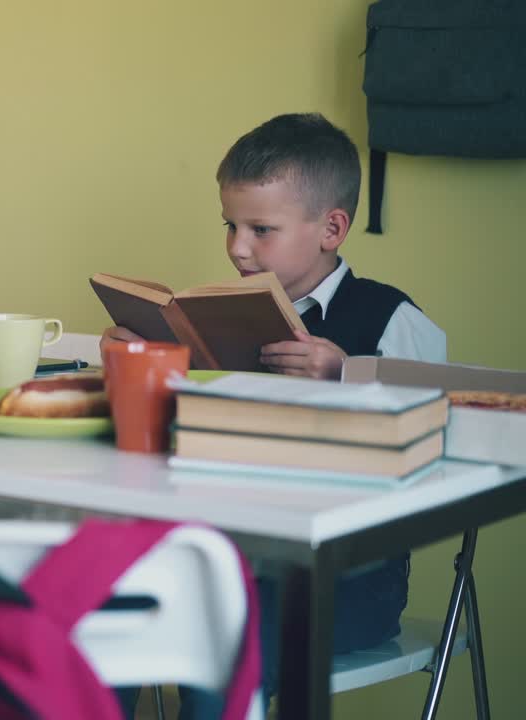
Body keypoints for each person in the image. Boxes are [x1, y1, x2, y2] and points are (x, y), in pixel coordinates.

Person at [102, 112, 445, 718]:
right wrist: (141, 363)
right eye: (230, 226)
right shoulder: (226, 310)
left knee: (223, 634)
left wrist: (348, 377)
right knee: (118, 605)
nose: (237, 247)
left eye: (261, 229)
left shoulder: (389, 318)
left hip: (343, 581)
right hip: (226, 549)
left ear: (331, 228)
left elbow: (438, 430)